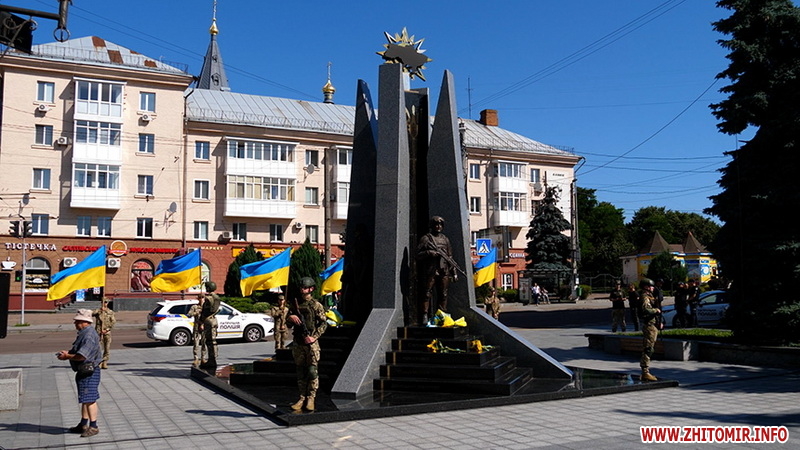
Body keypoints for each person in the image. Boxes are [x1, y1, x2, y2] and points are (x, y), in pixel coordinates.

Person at [56, 309, 102, 438]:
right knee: (85, 398)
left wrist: (67, 356)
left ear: (84, 322)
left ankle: (93, 426)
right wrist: (69, 352)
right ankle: (83, 424)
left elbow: (82, 356)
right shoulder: (85, 333)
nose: (75, 323)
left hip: (89, 371)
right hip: (85, 370)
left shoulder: (88, 335)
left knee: (90, 399)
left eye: (77, 321)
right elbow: (78, 351)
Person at [288, 277, 328, 412]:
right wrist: (290, 317)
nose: (302, 290)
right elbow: (288, 324)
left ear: (311, 289)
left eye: (305, 288)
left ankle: (311, 398)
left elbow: (323, 324)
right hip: (298, 342)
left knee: (311, 371)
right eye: (301, 288)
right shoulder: (295, 304)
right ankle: (301, 397)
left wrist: (314, 337)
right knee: (300, 371)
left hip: (311, 343)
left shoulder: (316, 305)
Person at [416, 216, 457, 324]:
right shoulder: (426, 239)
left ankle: (441, 316)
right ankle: (424, 315)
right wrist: (429, 253)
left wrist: (454, 273)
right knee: (426, 293)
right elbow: (417, 255)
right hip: (430, 271)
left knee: (443, 294)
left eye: (440, 225)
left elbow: (450, 257)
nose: (438, 227)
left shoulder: (445, 239)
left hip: (443, 270)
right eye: (436, 224)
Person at [638, 278, 661, 382]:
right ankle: (645, 371)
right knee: (648, 348)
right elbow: (645, 309)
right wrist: (656, 310)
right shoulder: (644, 297)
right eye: (651, 286)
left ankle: (645, 371)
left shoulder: (650, 296)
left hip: (652, 324)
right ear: (646, 287)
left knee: (649, 347)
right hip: (649, 325)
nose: (653, 288)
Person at [198, 281, 221, 368]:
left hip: (208, 320)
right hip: (214, 319)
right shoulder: (217, 297)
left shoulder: (208, 298)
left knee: (210, 341)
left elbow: (206, 311)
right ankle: (213, 359)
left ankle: (212, 360)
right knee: (213, 340)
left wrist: (201, 320)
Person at [92, 297, 116, 369]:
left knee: (107, 348)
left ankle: (105, 361)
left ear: (107, 303)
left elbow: (113, 322)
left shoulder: (110, 312)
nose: (104, 303)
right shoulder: (98, 311)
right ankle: (99, 362)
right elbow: (92, 313)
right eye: (103, 302)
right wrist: (99, 310)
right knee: (98, 348)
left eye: (105, 302)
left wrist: (107, 329)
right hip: (98, 332)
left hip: (107, 332)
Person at [187, 293, 206, 366]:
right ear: (198, 299)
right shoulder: (195, 307)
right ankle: (196, 358)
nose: (201, 299)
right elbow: (189, 314)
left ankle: (203, 358)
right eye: (200, 298)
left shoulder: (206, 307)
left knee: (204, 343)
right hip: (197, 327)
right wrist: (196, 312)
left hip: (204, 327)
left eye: (203, 298)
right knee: (196, 343)